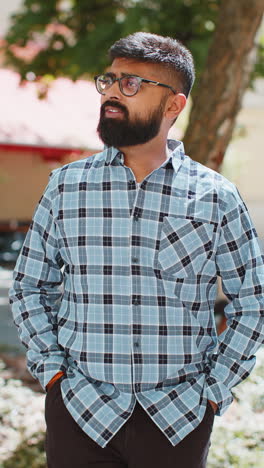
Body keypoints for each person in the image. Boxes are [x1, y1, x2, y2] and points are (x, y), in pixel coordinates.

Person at [9, 32, 264, 468]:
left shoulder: (216, 197)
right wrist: (52, 371)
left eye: (131, 83)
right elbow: (30, 287)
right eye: (109, 80)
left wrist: (215, 389)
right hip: (80, 412)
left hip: (177, 419)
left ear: (173, 105)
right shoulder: (66, 187)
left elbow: (253, 302)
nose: (111, 92)